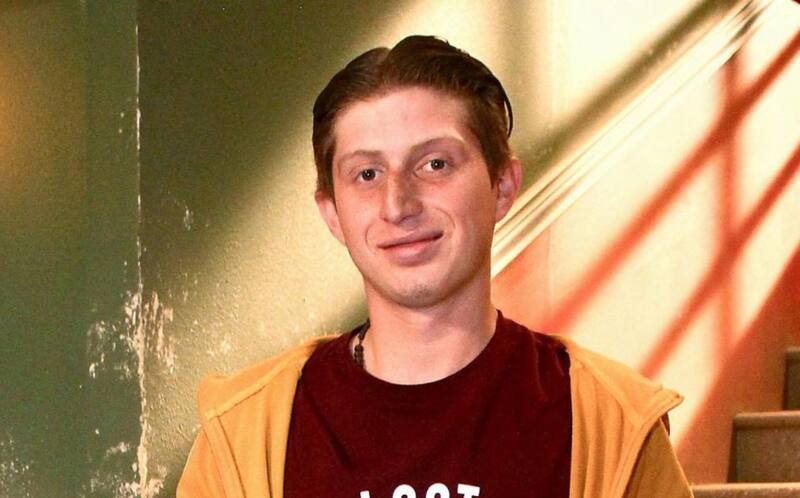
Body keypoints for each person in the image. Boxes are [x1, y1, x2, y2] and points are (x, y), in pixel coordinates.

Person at [177, 35, 693, 498]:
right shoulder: (244, 434)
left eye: (435, 164)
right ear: (332, 213)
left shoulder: (611, 424)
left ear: (502, 186)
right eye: (367, 174)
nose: (398, 204)